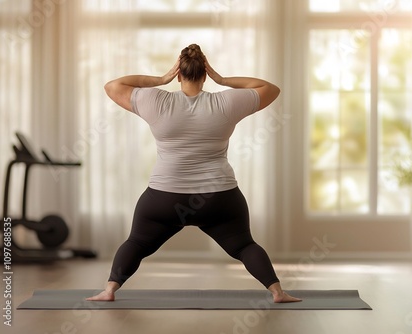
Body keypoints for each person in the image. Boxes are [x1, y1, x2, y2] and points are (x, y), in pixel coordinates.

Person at [87, 44, 300, 303]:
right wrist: (222, 80)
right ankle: (277, 292)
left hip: (164, 199)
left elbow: (113, 85)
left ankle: (109, 290)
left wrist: (161, 79)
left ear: (179, 74)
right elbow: (270, 89)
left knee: (136, 243)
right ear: (205, 74)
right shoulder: (226, 102)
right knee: (244, 246)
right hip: (219, 199)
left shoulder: (155, 101)